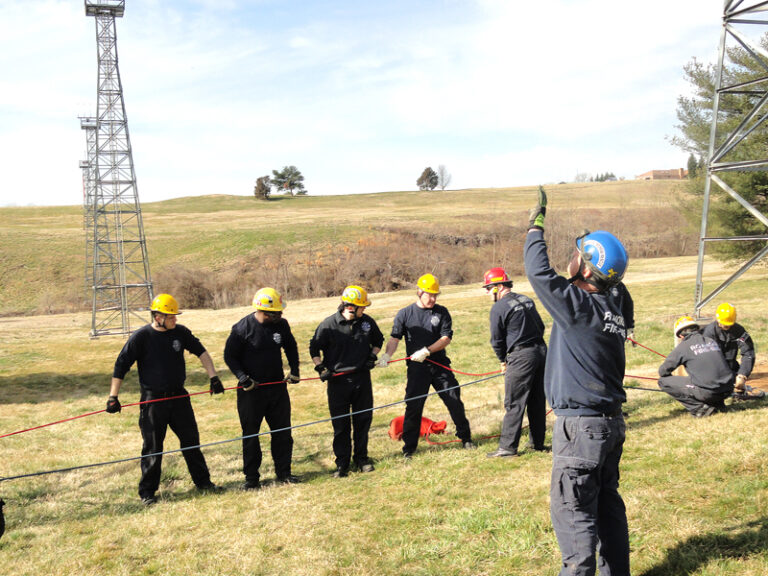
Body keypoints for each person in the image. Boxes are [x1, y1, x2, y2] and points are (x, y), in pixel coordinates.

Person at [524, 187, 632, 576]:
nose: (571, 261)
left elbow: (537, 272)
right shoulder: (615, 303)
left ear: (587, 269)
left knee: (573, 512)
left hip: (581, 428)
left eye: (578, 256)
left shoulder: (577, 308)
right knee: (606, 503)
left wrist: (535, 227)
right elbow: (614, 281)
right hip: (610, 424)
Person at [106, 293, 225, 506]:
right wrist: (113, 397)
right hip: (153, 401)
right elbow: (121, 365)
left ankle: (204, 483)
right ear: (157, 317)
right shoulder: (141, 337)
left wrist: (213, 377)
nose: (175, 320)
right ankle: (147, 493)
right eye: (171, 317)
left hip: (179, 398)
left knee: (191, 443)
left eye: (175, 316)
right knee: (153, 447)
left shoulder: (181, 333)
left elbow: (202, 352)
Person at [378, 273, 475, 458]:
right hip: (416, 369)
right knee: (413, 407)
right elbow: (395, 338)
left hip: (440, 366)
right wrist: (387, 355)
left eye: (435, 295)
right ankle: (409, 448)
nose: (432, 299)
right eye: (429, 294)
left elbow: (446, 338)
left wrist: (427, 351)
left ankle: (466, 438)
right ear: (419, 292)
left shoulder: (441, 312)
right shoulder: (405, 314)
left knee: (454, 401)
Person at [224, 287, 301, 490]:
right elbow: (229, 357)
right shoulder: (242, 328)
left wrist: (295, 370)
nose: (280, 315)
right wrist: (243, 378)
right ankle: (252, 479)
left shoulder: (281, 325)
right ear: (263, 311)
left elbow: (291, 347)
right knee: (251, 435)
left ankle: (284, 472)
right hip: (251, 391)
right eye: (276, 312)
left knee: (283, 432)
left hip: (277, 388)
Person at [309, 285, 384, 477]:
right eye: (361, 307)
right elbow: (314, 349)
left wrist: (372, 357)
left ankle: (362, 459)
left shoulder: (367, 322)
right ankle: (342, 463)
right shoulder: (328, 325)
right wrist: (321, 368)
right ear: (350, 307)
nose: (364, 309)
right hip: (338, 383)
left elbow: (378, 341)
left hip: (362, 379)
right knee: (341, 425)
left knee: (363, 421)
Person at [483, 267, 548, 457]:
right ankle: (537, 443)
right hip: (541, 352)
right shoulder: (527, 300)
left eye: (489, 288)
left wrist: (504, 360)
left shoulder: (499, 307)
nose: (487, 292)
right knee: (537, 400)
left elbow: (496, 340)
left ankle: (507, 447)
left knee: (514, 403)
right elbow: (541, 326)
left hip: (520, 357)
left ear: (499, 286)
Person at [658, 315, 734, 417]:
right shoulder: (711, 341)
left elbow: (663, 371)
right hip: (728, 389)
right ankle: (718, 404)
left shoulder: (683, 347)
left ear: (680, 336)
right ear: (696, 329)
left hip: (709, 392)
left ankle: (699, 409)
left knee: (663, 382)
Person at [701, 302, 756, 397]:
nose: (726, 326)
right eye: (723, 323)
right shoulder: (709, 333)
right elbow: (708, 359)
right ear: (717, 318)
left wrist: (742, 374)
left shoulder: (739, 331)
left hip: (731, 368)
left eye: (729, 324)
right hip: (712, 370)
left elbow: (748, 352)